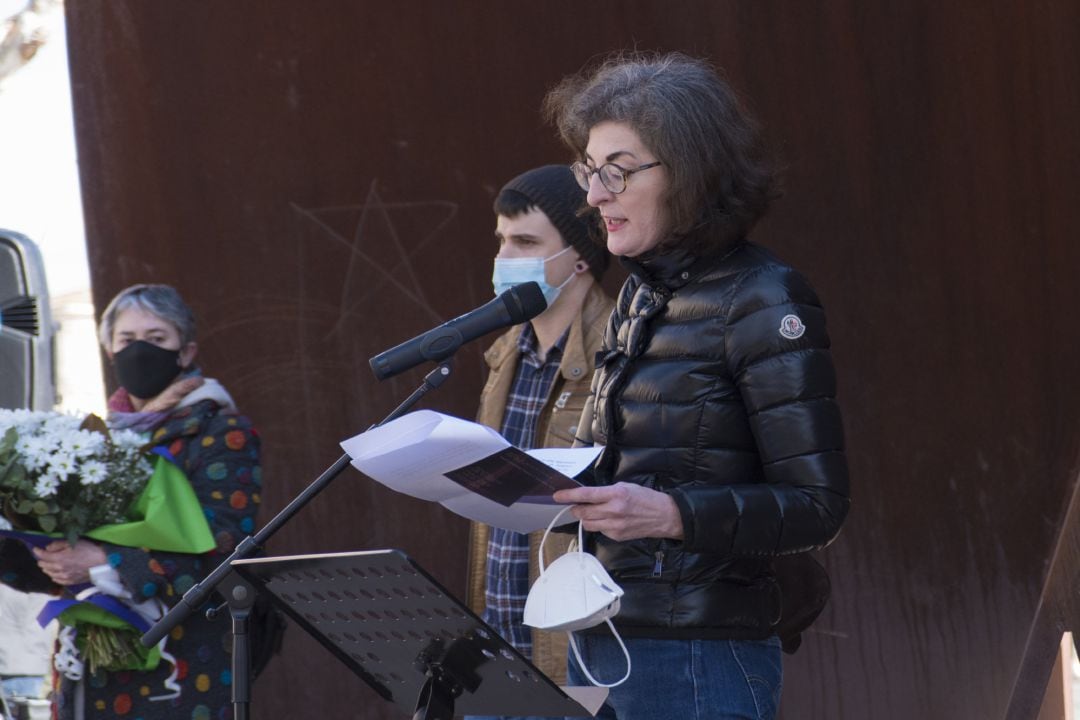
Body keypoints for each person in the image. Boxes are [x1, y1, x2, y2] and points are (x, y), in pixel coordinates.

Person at [542, 52, 851, 719]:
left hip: (698, 655)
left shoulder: (766, 299)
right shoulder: (637, 294)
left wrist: (672, 515)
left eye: (616, 172)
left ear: (690, 175)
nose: (594, 197)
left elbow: (817, 505)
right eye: (588, 172)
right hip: (603, 630)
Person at [0, 284, 264, 719]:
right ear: (109, 351)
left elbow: (227, 549)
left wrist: (104, 563)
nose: (139, 350)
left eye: (157, 339)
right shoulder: (92, 439)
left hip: (180, 669)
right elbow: (54, 572)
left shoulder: (222, 432)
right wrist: (36, 548)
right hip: (90, 667)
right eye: (126, 339)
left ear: (185, 351)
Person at [464, 165, 615, 720]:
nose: (506, 256)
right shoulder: (506, 352)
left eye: (525, 241)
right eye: (502, 240)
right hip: (498, 646)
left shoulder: (617, 352)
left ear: (580, 255)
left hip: (573, 654)